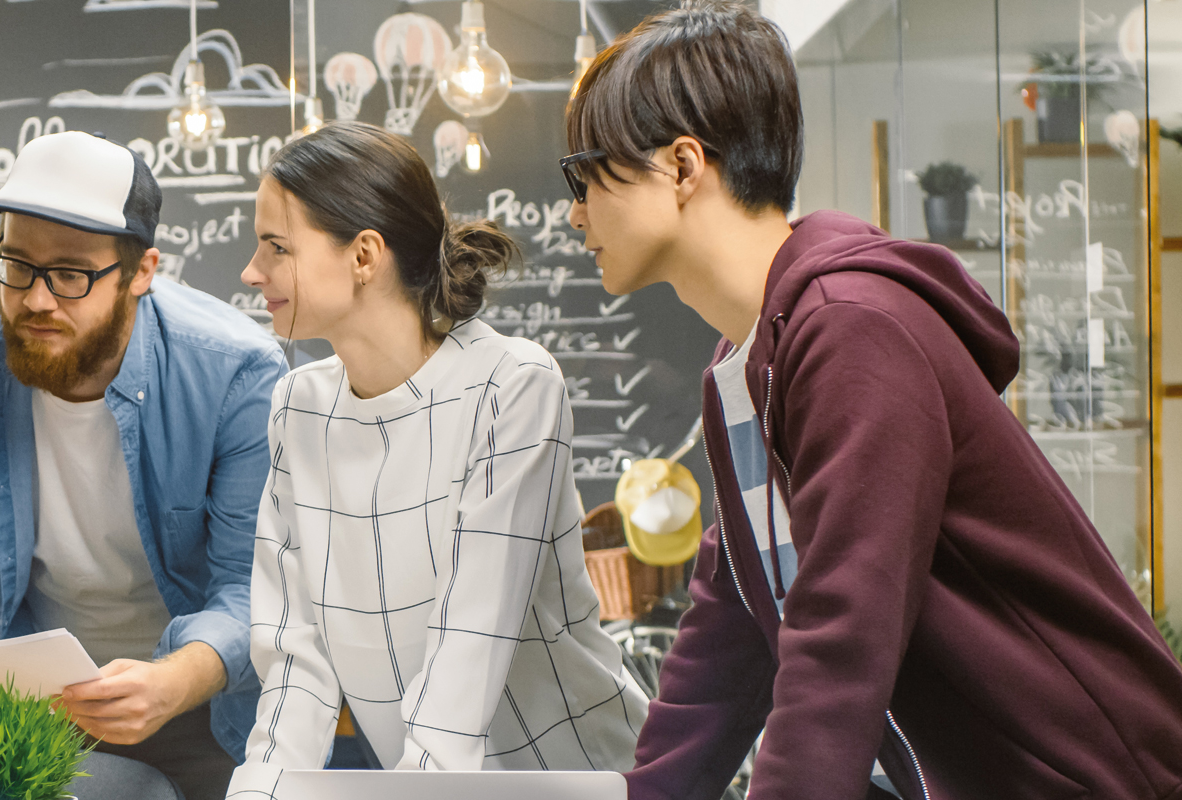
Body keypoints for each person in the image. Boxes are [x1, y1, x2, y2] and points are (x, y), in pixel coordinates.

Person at [561, 3, 1182, 799]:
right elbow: (731, 633)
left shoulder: (850, 330)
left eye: (586, 176)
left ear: (684, 167)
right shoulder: (748, 364)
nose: (577, 212)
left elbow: (839, 638)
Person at [0, 130, 284, 800]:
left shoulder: (237, 374)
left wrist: (168, 685)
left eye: (71, 274)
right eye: (16, 265)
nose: (36, 300)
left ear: (141, 272)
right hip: (37, 703)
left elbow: (247, 593)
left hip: (200, 707)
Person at [222, 122, 647, 798]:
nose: (252, 271)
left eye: (277, 247)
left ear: (364, 254)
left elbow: (465, 653)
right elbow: (294, 658)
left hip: (571, 777)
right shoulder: (297, 406)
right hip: (427, 783)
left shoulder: (511, 386)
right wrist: (260, 792)